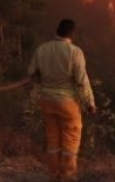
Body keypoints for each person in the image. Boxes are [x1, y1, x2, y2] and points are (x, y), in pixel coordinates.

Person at [28, 19, 96, 182]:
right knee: (70, 143)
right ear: (72, 34)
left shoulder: (42, 49)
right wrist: (90, 103)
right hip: (67, 103)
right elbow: (82, 81)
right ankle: (68, 177)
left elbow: (32, 73)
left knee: (53, 141)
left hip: (46, 102)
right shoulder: (75, 52)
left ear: (56, 30)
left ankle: (54, 176)